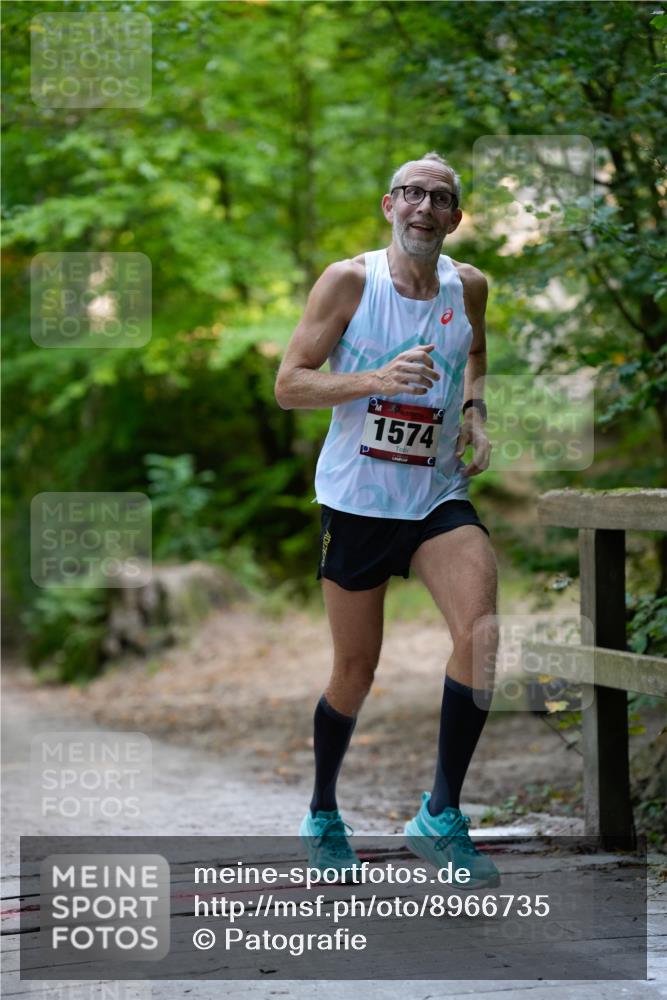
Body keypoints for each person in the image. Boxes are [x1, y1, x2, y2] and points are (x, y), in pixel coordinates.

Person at [275, 151, 499, 888]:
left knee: (481, 633)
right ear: (388, 205)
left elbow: (475, 357)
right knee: (354, 669)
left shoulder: (469, 286)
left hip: (434, 494)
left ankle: (439, 814)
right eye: (411, 193)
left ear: (454, 218)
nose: (424, 207)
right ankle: (322, 813)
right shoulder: (349, 281)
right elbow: (289, 385)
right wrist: (374, 379)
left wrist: (473, 413)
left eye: (439, 198)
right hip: (357, 501)